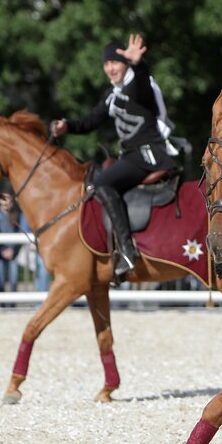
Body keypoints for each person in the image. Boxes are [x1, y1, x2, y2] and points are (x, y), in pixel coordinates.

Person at [51, 33, 178, 276]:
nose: (110, 68)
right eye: (107, 63)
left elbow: (142, 85)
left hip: (146, 155)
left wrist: (138, 64)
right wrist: (67, 126)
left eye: (115, 62)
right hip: (130, 156)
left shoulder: (139, 85)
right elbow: (91, 121)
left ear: (125, 63)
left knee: (102, 184)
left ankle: (128, 251)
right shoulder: (113, 94)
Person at [0, 194, 21, 301]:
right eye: (3, 199)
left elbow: (19, 233)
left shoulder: (16, 215)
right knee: (1, 280)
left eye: (8, 199)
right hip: (0, 252)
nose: (6, 202)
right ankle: (2, 304)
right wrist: (2, 250)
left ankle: (13, 304)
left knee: (14, 280)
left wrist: (13, 250)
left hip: (13, 252)